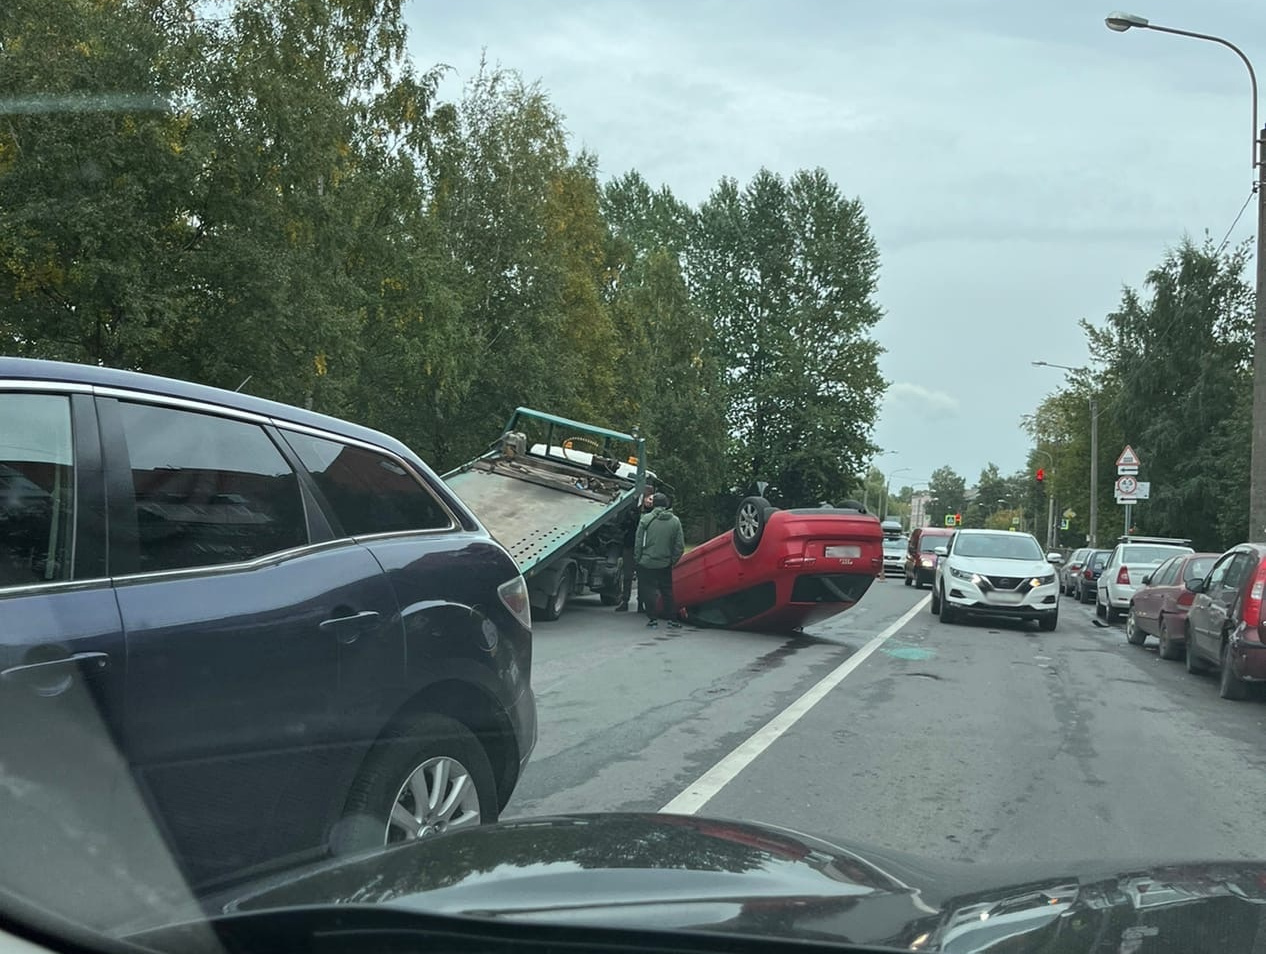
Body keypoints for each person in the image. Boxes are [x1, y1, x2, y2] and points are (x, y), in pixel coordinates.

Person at [635, 492, 685, 629]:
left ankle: (652, 619)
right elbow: (679, 545)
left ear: (654, 504)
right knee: (667, 591)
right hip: (665, 562)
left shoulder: (645, 519)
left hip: (646, 562)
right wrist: (672, 560)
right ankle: (672, 620)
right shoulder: (675, 521)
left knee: (648, 591)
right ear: (666, 504)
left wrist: (638, 559)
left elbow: (638, 542)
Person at [616, 483, 655, 612]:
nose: (650, 500)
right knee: (627, 575)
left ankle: (641, 603)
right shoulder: (633, 511)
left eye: (651, 497)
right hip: (631, 545)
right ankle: (625, 600)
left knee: (643, 577)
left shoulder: (653, 514)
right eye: (648, 497)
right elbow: (623, 526)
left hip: (645, 548)